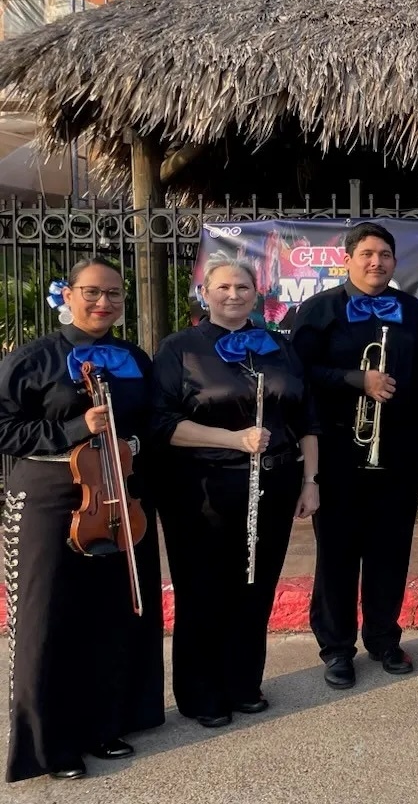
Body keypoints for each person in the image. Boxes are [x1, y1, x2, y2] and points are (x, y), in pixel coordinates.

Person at [0, 257, 164, 782]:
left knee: (110, 615)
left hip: (117, 495)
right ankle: (51, 744)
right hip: (49, 496)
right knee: (48, 619)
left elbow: (155, 422)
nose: (104, 303)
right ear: (67, 295)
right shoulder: (34, 358)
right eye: (92, 292)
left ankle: (103, 724)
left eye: (114, 294)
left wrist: (133, 441)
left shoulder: (132, 357)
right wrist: (74, 427)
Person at [151, 254, 320, 727]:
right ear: (204, 293)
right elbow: (163, 424)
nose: (233, 295)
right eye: (222, 287)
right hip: (201, 489)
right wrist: (232, 439)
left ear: (256, 294)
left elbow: (305, 417)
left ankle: (243, 682)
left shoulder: (278, 347)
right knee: (204, 589)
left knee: (255, 586)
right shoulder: (180, 348)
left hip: (276, 484)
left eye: (242, 287)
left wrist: (311, 482)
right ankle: (201, 694)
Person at [290, 222, 418, 689]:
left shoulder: (411, 311)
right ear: (348, 259)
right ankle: (336, 649)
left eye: (385, 255)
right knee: (337, 553)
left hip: (399, 451)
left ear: (395, 262)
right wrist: (358, 380)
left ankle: (384, 639)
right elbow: (301, 375)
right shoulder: (320, 310)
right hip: (337, 449)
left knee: (390, 551)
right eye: (368, 253)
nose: (377, 262)